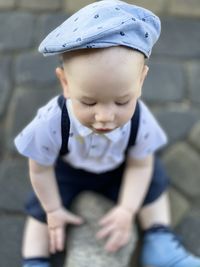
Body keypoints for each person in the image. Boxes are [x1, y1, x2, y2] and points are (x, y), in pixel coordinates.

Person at [14, 1, 200, 267]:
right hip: (69, 171)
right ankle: (34, 259)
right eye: (89, 103)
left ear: (141, 81)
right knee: (39, 211)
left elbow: (139, 166)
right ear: (65, 83)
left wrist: (127, 210)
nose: (105, 117)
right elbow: (40, 170)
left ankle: (160, 242)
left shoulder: (140, 120)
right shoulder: (51, 122)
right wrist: (53, 210)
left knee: (154, 182)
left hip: (120, 168)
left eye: (122, 102)